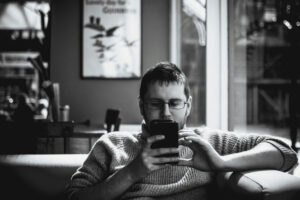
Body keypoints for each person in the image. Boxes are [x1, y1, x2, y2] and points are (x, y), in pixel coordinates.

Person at [66, 62, 298, 200]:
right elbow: (74, 197)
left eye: (175, 103)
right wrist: (132, 172)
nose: (166, 113)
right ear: (142, 106)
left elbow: (285, 153)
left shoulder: (207, 142)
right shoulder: (113, 144)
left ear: (188, 106)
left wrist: (219, 163)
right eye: (156, 104)